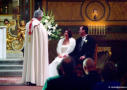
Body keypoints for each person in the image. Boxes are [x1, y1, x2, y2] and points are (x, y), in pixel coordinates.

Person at [22, 9, 49, 86]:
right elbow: (43, 38)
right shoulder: (38, 25)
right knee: (36, 60)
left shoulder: (28, 24)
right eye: (42, 16)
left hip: (30, 49)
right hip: (37, 50)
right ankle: (35, 79)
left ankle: (29, 79)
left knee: (30, 61)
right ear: (40, 16)